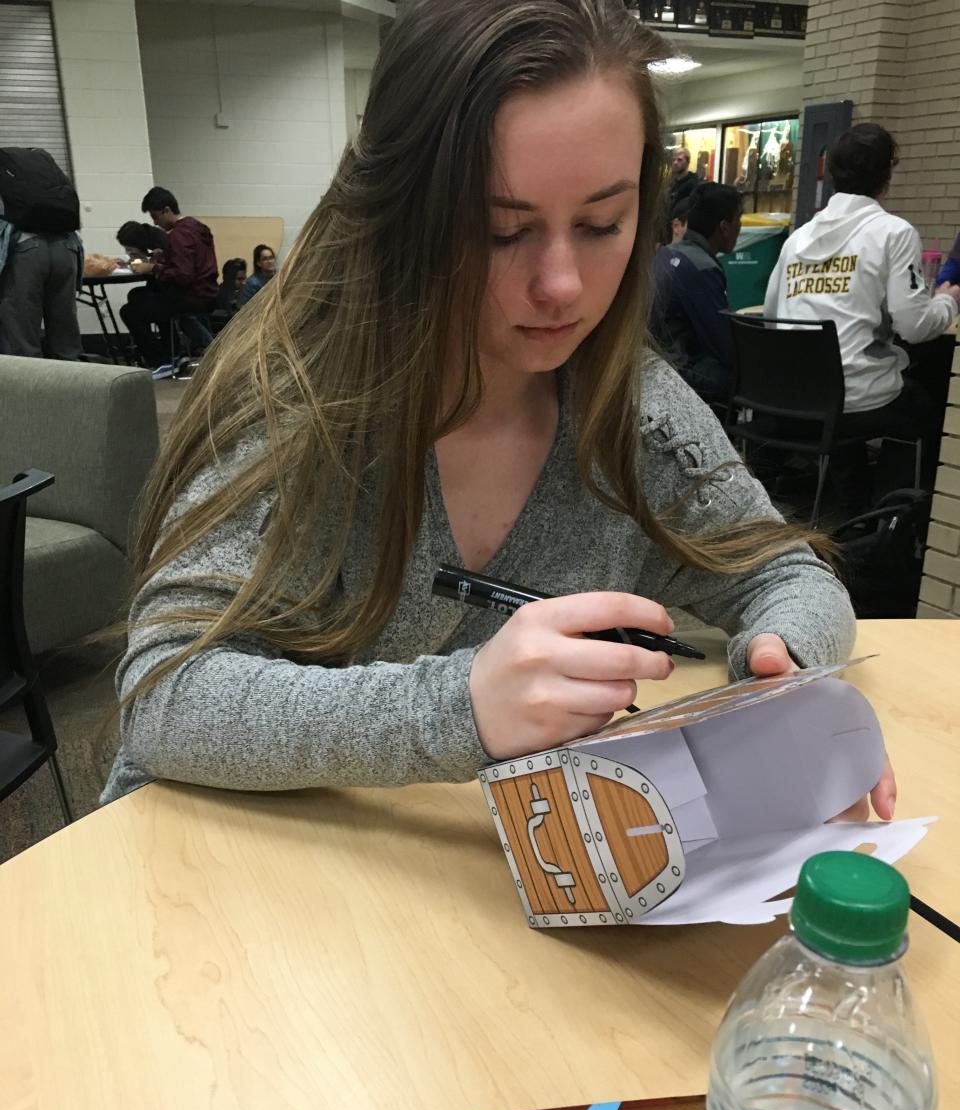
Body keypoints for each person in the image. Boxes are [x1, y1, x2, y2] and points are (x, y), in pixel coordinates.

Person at [101, 0, 893, 824]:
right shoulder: (299, 396)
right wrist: (461, 708)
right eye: (501, 231)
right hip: (209, 854)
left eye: (602, 223)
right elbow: (163, 696)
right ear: (398, 214)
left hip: (443, 871)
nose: (563, 286)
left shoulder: (637, 414)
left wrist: (780, 668)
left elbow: (785, 575)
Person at [764, 123, 960, 512]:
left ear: (833, 175)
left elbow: (772, 319)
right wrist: (947, 301)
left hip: (792, 398)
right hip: (853, 400)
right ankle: (889, 517)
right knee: (924, 405)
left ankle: (851, 506)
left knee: (850, 400)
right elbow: (915, 327)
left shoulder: (797, 239)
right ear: (887, 175)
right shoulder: (894, 233)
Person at [651, 182, 741, 403]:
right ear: (724, 227)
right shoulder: (701, 268)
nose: (740, 227)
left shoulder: (666, 254)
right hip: (674, 370)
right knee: (741, 372)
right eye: (739, 219)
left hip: (654, 359)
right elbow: (724, 345)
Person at [118, 186, 218, 378]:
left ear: (166, 210)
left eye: (155, 216)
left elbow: (182, 275)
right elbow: (187, 264)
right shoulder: (195, 227)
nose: (155, 222)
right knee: (141, 296)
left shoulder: (179, 235)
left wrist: (152, 268)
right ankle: (174, 355)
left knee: (130, 311)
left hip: (191, 296)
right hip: (206, 291)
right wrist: (161, 259)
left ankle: (161, 361)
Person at [0, 146, 83, 360]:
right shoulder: (42, 167)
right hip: (67, 247)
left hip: (25, 250)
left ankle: (26, 382)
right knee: (65, 333)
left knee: (21, 337)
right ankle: (73, 379)